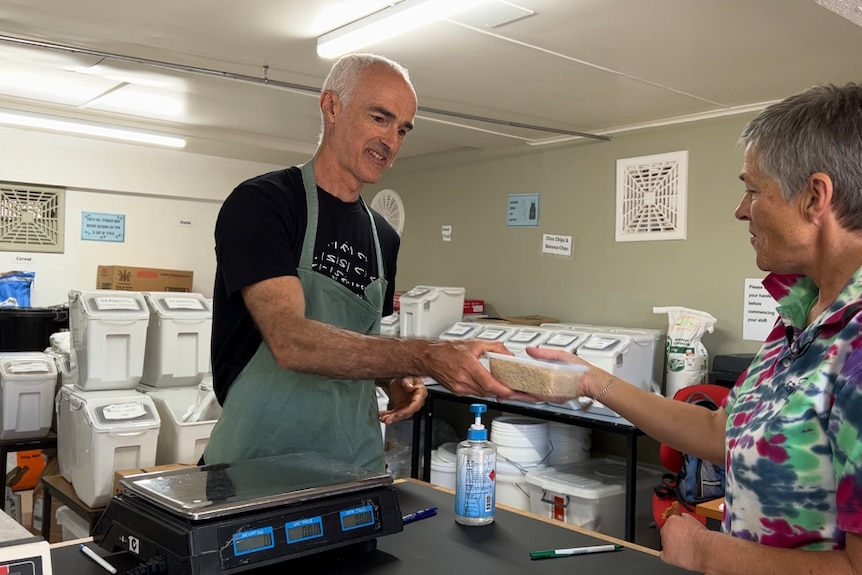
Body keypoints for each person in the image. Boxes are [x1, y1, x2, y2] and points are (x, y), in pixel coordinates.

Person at [528, 82, 862, 575]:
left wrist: (706, 552)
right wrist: (590, 379)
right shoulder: (800, 314)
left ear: (815, 197)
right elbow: (719, 431)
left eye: (753, 190)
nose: (740, 209)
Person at [203, 53, 533, 473]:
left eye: (402, 130)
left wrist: (393, 378)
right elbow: (291, 340)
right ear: (332, 106)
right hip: (258, 465)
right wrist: (423, 356)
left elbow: (355, 343)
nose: (391, 142)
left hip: (352, 466)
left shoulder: (383, 238)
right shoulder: (265, 204)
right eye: (379, 119)